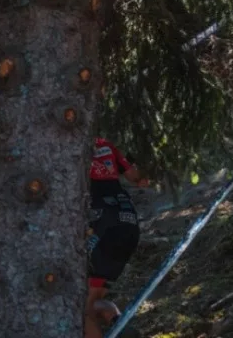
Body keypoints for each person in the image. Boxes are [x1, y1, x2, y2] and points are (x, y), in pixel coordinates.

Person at [85, 137, 149, 338]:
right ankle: (117, 321)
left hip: (104, 226)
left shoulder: (68, 147)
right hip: (129, 223)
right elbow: (139, 179)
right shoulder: (106, 145)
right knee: (97, 298)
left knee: (81, 310)